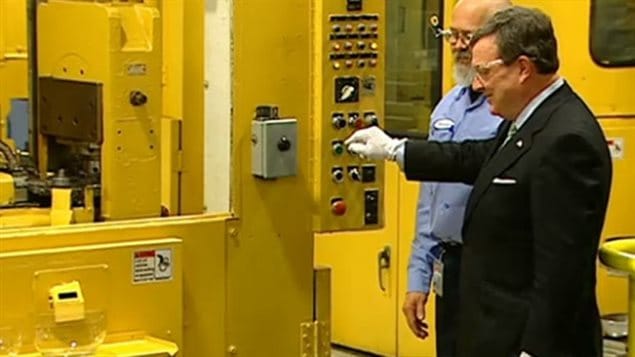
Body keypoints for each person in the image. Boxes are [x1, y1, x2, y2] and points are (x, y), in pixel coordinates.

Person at [347, 6, 611, 357]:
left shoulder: (566, 140)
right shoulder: (529, 120)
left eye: (485, 71)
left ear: (522, 69)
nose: (477, 83)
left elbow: (562, 273)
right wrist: (396, 150)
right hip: (491, 327)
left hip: (524, 340)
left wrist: (535, 351)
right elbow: (474, 157)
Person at [401, 1, 509, 356]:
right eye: (452, 35)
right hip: (450, 269)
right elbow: (431, 200)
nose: (458, 45)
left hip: (495, 276)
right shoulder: (448, 106)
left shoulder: (511, 112)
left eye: (469, 36)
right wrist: (419, 276)